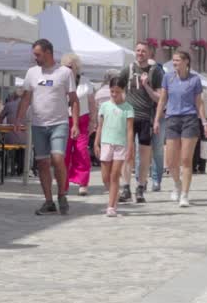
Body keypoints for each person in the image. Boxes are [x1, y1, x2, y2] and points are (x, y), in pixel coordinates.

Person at [13, 38, 79, 216]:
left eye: (38, 54)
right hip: (38, 124)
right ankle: (49, 201)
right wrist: (18, 120)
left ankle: (62, 195)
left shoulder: (65, 73)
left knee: (57, 159)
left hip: (59, 123)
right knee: (42, 163)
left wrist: (76, 124)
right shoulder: (32, 73)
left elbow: (74, 100)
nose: (35, 58)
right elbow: (26, 98)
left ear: (48, 53)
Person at [155, 50, 207, 208]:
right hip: (172, 119)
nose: (174, 63)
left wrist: (204, 122)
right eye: (174, 61)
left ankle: (185, 194)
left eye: (177, 60)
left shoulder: (195, 80)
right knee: (170, 161)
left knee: (186, 159)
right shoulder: (168, 78)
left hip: (189, 119)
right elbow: (162, 100)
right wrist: (157, 120)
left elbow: (199, 102)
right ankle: (177, 183)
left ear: (186, 62)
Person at [118, 40, 164, 203]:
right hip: (129, 117)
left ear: (150, 53)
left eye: (143, 51)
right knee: (128, 154)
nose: (140, 53)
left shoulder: (155, 71)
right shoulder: (128, 69)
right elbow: (117, 91)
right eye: (138, 50)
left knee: (144, 155)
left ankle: (140, 187)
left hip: (146, 117)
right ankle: (125, 187)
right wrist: (121, 105)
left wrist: (146, 86)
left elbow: (160, 98)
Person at [93, 77, 135, 217]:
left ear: (123, 90)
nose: (114, 94)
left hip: (120, 145)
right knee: (105, 177)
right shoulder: (104, 106)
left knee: (114, 175)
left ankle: (111, 206)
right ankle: (114, 194)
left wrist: (130, 147)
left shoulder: (128, 108)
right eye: (112, 91)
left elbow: (130, 130)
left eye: (117, 91)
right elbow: (100, 126)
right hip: (106, 143)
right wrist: (96, 142)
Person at [61, 53, 94, 196]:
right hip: (64, 120)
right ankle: (64, 184)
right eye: (66, 67)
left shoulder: (86, 82)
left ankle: (83, 182)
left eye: (71, 67)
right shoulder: (60, 81)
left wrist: (94, 121)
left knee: (82, 151)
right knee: (65, 153)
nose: (68, 69)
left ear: (76, 67)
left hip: (82, 120)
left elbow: (92, 102)